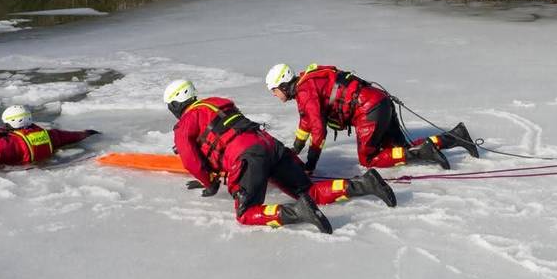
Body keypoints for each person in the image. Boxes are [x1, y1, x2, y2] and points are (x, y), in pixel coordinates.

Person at [163, 79, 396, 234]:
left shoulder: (185, 123)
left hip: (248, 157)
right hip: (270, 145)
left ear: (175, 105)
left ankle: (298, 212)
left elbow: (190, 159)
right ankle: (366, 183)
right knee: (311, 192)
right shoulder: (217, 102)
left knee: (245, 214)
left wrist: (209, 182)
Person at [265, 63, 479, 175]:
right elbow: (306, 122)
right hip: (379, 102)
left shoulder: (305, 91)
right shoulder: (306, 83)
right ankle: (455, 137)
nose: (275, 95)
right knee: (399, 148)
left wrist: (310, 164)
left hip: (367, 111)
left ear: (283, 84)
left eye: (274, 91)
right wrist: (296, 148)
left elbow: (319, 130)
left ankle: (425, 152)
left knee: (369, 159)